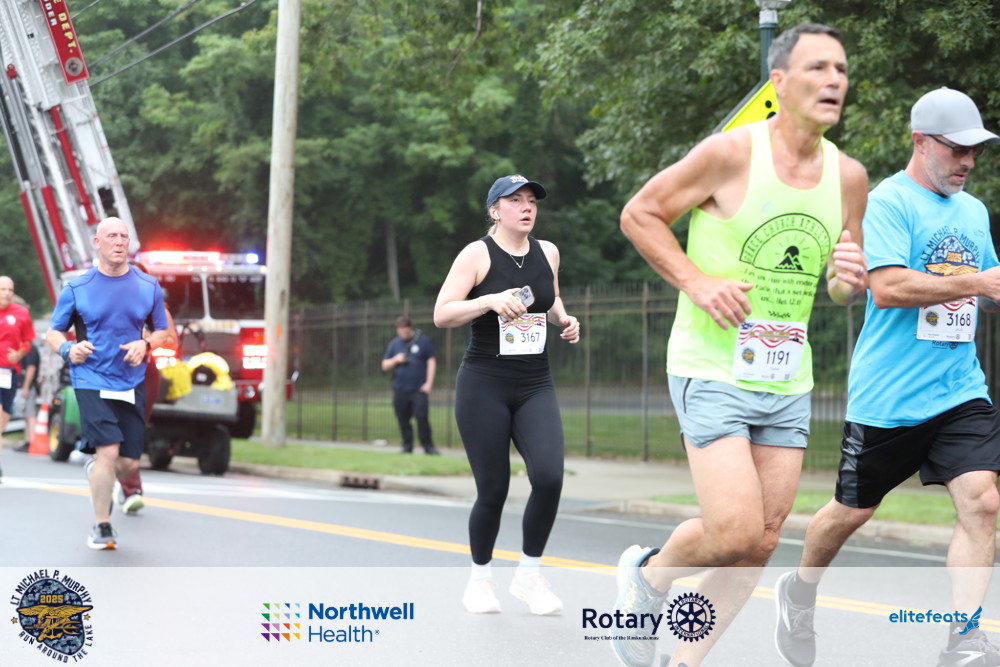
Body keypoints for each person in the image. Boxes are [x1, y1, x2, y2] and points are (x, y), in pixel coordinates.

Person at [612, 23, 869, 667]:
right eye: (817, 68)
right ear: (778, 82)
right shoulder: (729, 154)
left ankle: (681, 662)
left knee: (761, 541)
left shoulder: (849, 177)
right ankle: (650, 576)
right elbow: (640, 213)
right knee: (733, 532)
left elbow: (841, 286)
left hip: (786, 375)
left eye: (841, 69)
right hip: (711, 365)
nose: (834, 80)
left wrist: (847, 279)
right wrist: (696, 281)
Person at [774, 88, 1000, 667]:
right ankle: (799, 590)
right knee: (851, 512)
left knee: (982, 502)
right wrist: (977, 282)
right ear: (921, 142)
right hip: (889, 397)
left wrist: (989, 287)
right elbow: (889, 286)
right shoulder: (888, 203)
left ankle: (962, 638)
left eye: (975, 150)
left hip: (959, 388)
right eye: (956, 149)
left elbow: (986, 288)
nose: (968, 161)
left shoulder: (973, 211)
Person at [433, 174, 581, 616]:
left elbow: (550, 298)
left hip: (535, 383)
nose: (526, 206)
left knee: (550, 478)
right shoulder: (477, 254)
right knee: (493, 489)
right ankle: (479, 580)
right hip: (484, 384)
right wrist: (488, 300)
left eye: (531, 199)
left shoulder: (548, 251)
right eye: (515, 200)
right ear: (494, 211)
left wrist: (564, 319)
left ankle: (529, 576)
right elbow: (442, 313)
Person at [46, 217, 170, 550]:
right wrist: (69, 349)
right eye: (112, 236)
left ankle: (99, 474)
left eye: (124, 236)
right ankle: (102, 526)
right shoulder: (78, 287)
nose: (119, 241)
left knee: (128, 463)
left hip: (131, 380)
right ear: (97, 243)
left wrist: (146, 343)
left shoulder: (147, 286)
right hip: (91, 378)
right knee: (108, 451)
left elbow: (163, 331)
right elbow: (53, 333)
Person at [114, 267, 180, 514]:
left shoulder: (156, 307)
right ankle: (118, 479)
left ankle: (130, 489)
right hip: (113, 371)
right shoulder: (109, 301)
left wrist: (148, 338)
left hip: (145, 373)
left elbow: (172, 341)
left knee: (134, 427)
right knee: (114, 428)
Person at [380, 315, 439, 455]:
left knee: (422, 417)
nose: (404, 334)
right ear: (397, 330)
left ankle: (428, 446)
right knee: (403, 418)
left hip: (419, 388)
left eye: (406, 331)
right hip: (400, 388)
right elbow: (384, 365)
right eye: (401, 331)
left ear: (410, 328)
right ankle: (407, 446)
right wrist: (396, 359)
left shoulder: (423, 341)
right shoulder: (394, 344)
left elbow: (431, 361)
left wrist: (429, 383)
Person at [0, 276, 36, 481]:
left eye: (10, 289)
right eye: (2, 289)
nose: (6, 293)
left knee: (4, 419)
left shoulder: (21, 313)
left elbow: (27, 341)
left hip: (9, 372)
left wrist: (19, 354)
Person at [14, 340, 39, 452]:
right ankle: (27, 441)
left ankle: (32, 442)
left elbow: (31, 368)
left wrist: (26, 386)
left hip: (28, 387)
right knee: (26, 415)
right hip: (25, 386)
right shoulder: (26, 349)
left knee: (30, 415)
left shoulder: (31, 350)